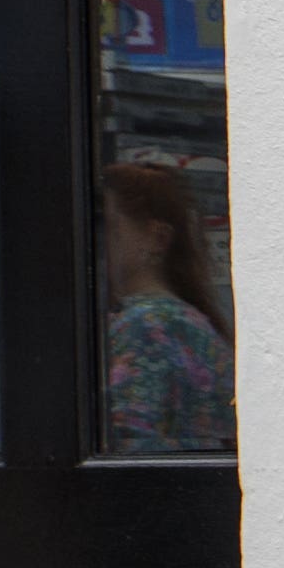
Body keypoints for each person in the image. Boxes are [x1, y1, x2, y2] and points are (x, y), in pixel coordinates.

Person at [100, 159, 234, 454]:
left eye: (108, 227)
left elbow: (126, 447)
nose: (97, 242)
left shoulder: (145, 327)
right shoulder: (191, 322)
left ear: (156, 238)